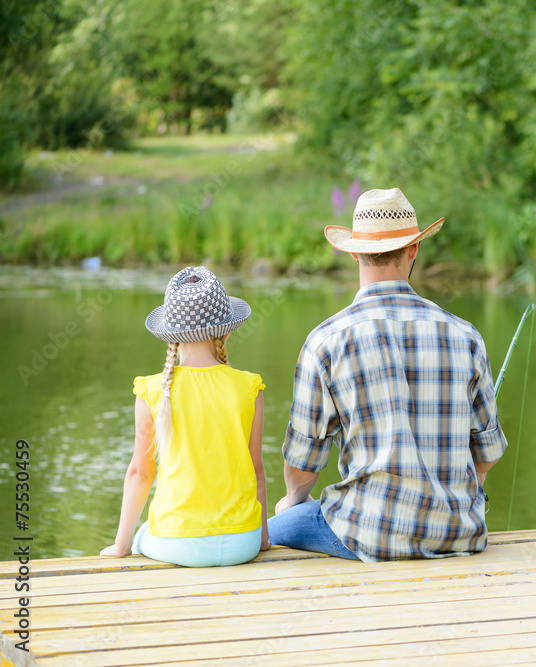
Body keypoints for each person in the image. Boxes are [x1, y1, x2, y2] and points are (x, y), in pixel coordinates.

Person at [268, 187, 507, 562]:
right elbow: (488, 454)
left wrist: (293, 502)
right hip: (458, 534)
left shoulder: (326, 341)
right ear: (413, 249)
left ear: (352, 251)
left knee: (263, 532)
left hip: (366, 533)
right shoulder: (465, 336)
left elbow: (302, 463)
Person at [101, 266, 269, 567]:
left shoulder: (152, 390)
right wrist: (262, 540)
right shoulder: (249, 387)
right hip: (243, 543)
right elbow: (256, 470)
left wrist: (121, 545)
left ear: (170, 334)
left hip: (177, 543)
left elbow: (141, 473)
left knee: (141, 536)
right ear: (227, 329)